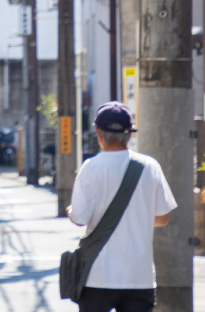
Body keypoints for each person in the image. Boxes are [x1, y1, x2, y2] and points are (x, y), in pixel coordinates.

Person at [66, 102, 178, 312]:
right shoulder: (149, 166)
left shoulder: (91, 168)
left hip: (97, 276)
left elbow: (80, 217)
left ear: (98, 133)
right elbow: (163, 218)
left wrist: (70, 211)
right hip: (139, 278)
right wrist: (139, 216)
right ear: (131, 134)